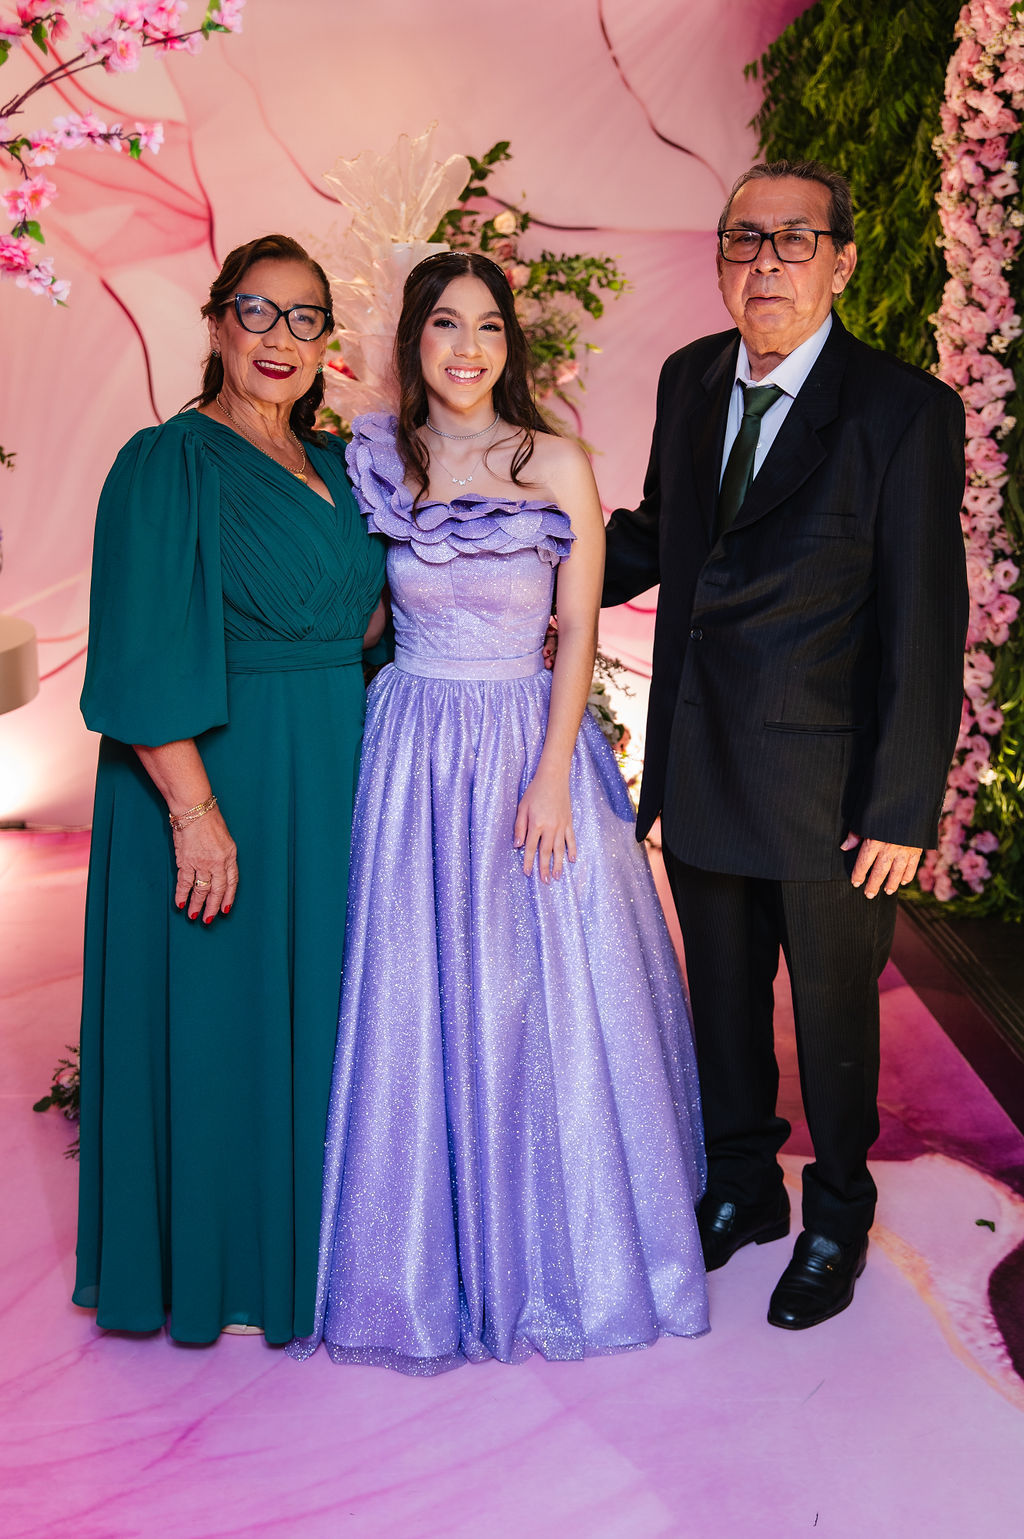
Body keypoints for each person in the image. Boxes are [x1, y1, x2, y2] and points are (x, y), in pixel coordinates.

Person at [289, 250, 709, 1374]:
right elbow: (357, 615)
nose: (466, 347)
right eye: (444, 324)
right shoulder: (375, 460)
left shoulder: (556, 460)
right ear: (413, 339)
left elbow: (577, 631)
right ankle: (415, 1259)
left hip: (527, 736)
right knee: (411, 993)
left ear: (510, 343)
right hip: (411, 748)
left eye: (486, 325)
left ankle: (563, 1253)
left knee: (544, 995)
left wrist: (552, 769)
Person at [602, 159, 969, 1330]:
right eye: (743, 240)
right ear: (719, 259)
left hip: (829, 791)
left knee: (832, 1019)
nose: (764, 263)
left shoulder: (902, 411)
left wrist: (902, 805)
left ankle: (837, 1215)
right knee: (720, 1003)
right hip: (701, 759)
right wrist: (519, 563)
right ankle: (744, 1188)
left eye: (792, 239)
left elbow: (924, 616)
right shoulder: (689, 378)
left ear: (841, 261)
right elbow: (661, 535)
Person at [73, 234, 386, 1343]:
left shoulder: (342, 466)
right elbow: (141, 649)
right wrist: (195, 816)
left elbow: (374, 617)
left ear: (327, 341)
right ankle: (221, 1265)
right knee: (220, 1017)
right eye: (258, 311)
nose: (280, 337)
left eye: (305, 318)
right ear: (217, 323)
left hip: (329, 768)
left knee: (320, 1015)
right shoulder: (168, 462)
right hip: (214, 774)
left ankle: (311, 1253)